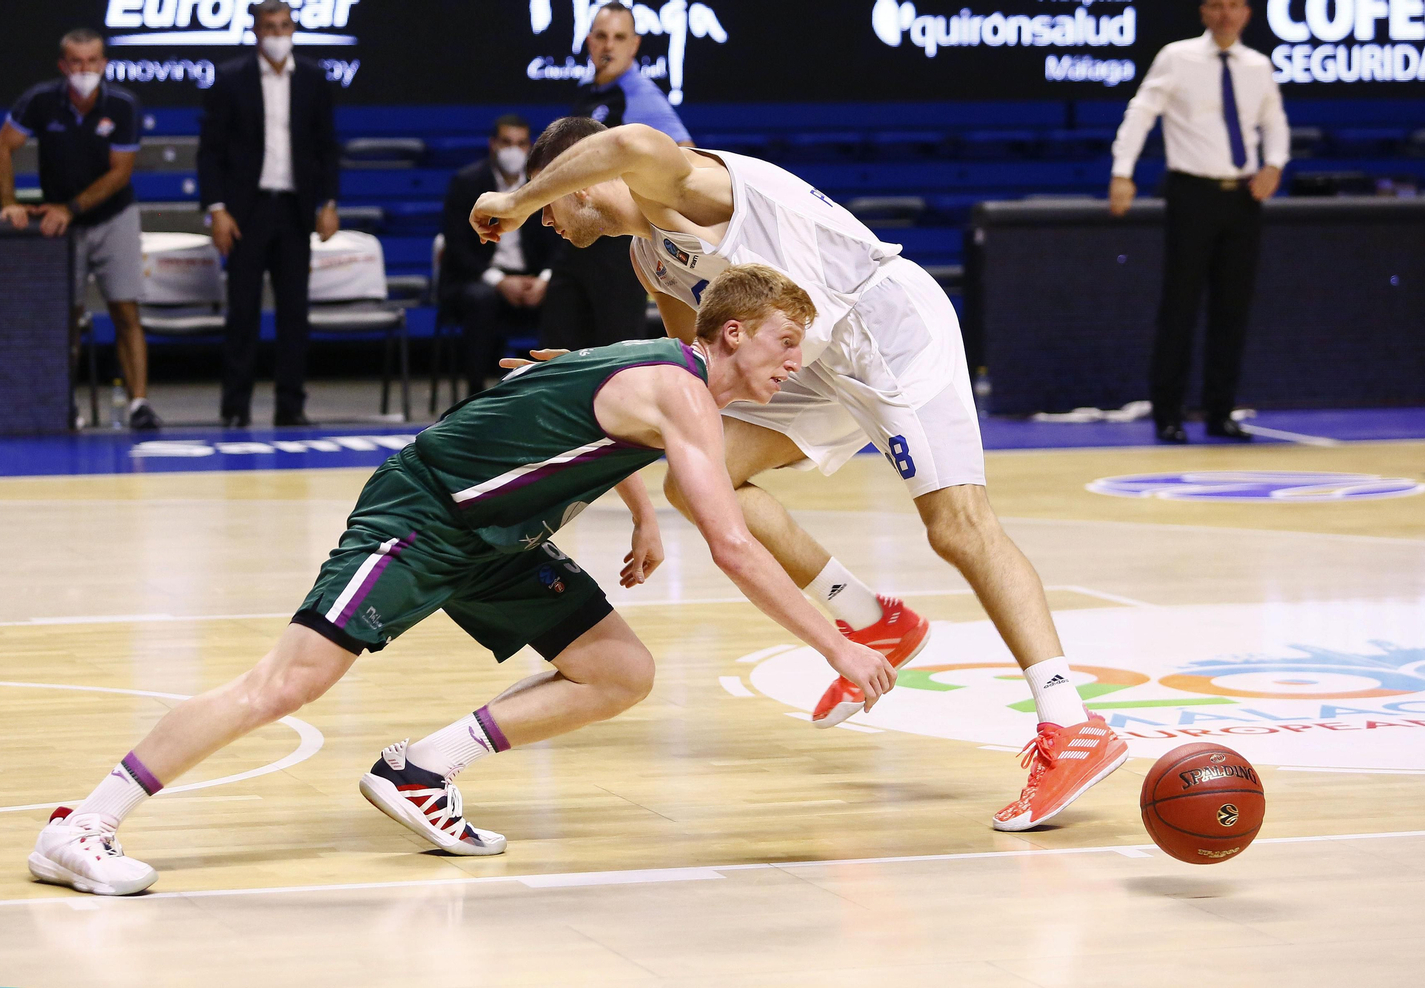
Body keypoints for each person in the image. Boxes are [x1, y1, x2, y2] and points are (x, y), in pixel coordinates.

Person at [27, 264, 896, 895]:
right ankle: (83, 825)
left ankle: (421, 769)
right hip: (427, 513)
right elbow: (735, 547)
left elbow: (566, 388)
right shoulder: (685, 394)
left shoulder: (661, 366)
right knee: (287, 682)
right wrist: (838, 645)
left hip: (499, 540)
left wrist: (637, 513)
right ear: (734, 334)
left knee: (620, 670)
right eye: (787, 343)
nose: (795, 363)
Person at [474, 118, 1129, 833]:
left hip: (885, 330)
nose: (546, 224)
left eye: (548, 206)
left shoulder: (679, 186)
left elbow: (630, 143)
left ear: (579, 176)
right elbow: (691, 369)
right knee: (701, 477)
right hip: (810, 359)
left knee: (958, 527)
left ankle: (1071, 723)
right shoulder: (649, 258)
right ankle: (875, 621)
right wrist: (585, 370)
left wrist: (510, 197)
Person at [1109, 0, 1289, 444]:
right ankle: (1168, 414)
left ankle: (1220, 411)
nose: (1226, 14)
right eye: (1216, 5)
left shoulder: (1257, 65)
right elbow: (1140, 113)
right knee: (1181, 308)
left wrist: (1275, 164)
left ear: (1247, 13)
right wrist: (1122, 172)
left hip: (1243, 198)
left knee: (1233, 310)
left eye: (1234, 5)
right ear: (1203, 12)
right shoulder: (1177, 56)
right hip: (1192, 194)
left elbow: (1274, 121)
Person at [0, 28, 162, 430]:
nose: (84, 69)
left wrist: (71, 208)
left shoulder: (122, 105)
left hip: (112, 217)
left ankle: (139, 403)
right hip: (60, 226)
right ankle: (62, 401)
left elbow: (120, 174)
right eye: (76, 62)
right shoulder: (41, 100)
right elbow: (2, 146)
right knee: (65, 315)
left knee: (125, 310)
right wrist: (9, 203)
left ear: (103, 64)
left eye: (92, 61)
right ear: (63, 65)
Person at [198, 0, 340, 428]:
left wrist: (329, 203)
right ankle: (235, 406)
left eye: (284, 26)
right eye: (269, 26)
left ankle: (290, 405)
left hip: (295, 209)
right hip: (246, 210)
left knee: (294, 312)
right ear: (255, 31)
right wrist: (217, 210)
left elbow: (326, 146)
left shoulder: (313, 79)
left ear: (294, 29)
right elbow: (211, 152)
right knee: (242, 311)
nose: (278, 34)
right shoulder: (229, 79)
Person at [538, 1, 694, 353]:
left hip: (617, 249)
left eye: (619, 37)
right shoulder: (588, 92)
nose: (609, 46)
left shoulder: (641, 96)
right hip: (574, 241)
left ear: (634, 45)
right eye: (602, 36)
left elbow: (686, 159)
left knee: (615, 353)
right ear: (590, 41)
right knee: (558, 351)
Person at [439, 116, 559, 398]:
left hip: (530, 277)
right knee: (482, 299)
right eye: (507, 142)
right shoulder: (467, 183)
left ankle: (552, 392)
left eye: (520, 143)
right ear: (493, 144)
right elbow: (456, 246)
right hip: (478, 277)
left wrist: (543, 280)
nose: (513, 150)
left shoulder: (541, 185)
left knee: (564, 293)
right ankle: (476, 394)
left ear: (530, 147)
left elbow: (558, 241)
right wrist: (499, 281)